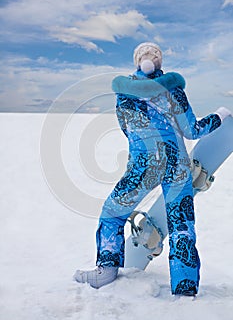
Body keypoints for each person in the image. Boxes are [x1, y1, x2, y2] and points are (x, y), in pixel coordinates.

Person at [74, 42, 231, 295]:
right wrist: (220, 115)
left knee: (112, 213)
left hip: (143, 165)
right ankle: (184, 289)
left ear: (137, 62)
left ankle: (107, 269)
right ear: (159, 62)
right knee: (181, 225)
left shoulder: (124, 93)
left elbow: (127, 130)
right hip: (176, 164)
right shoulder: (173, 89)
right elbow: (193, 130)